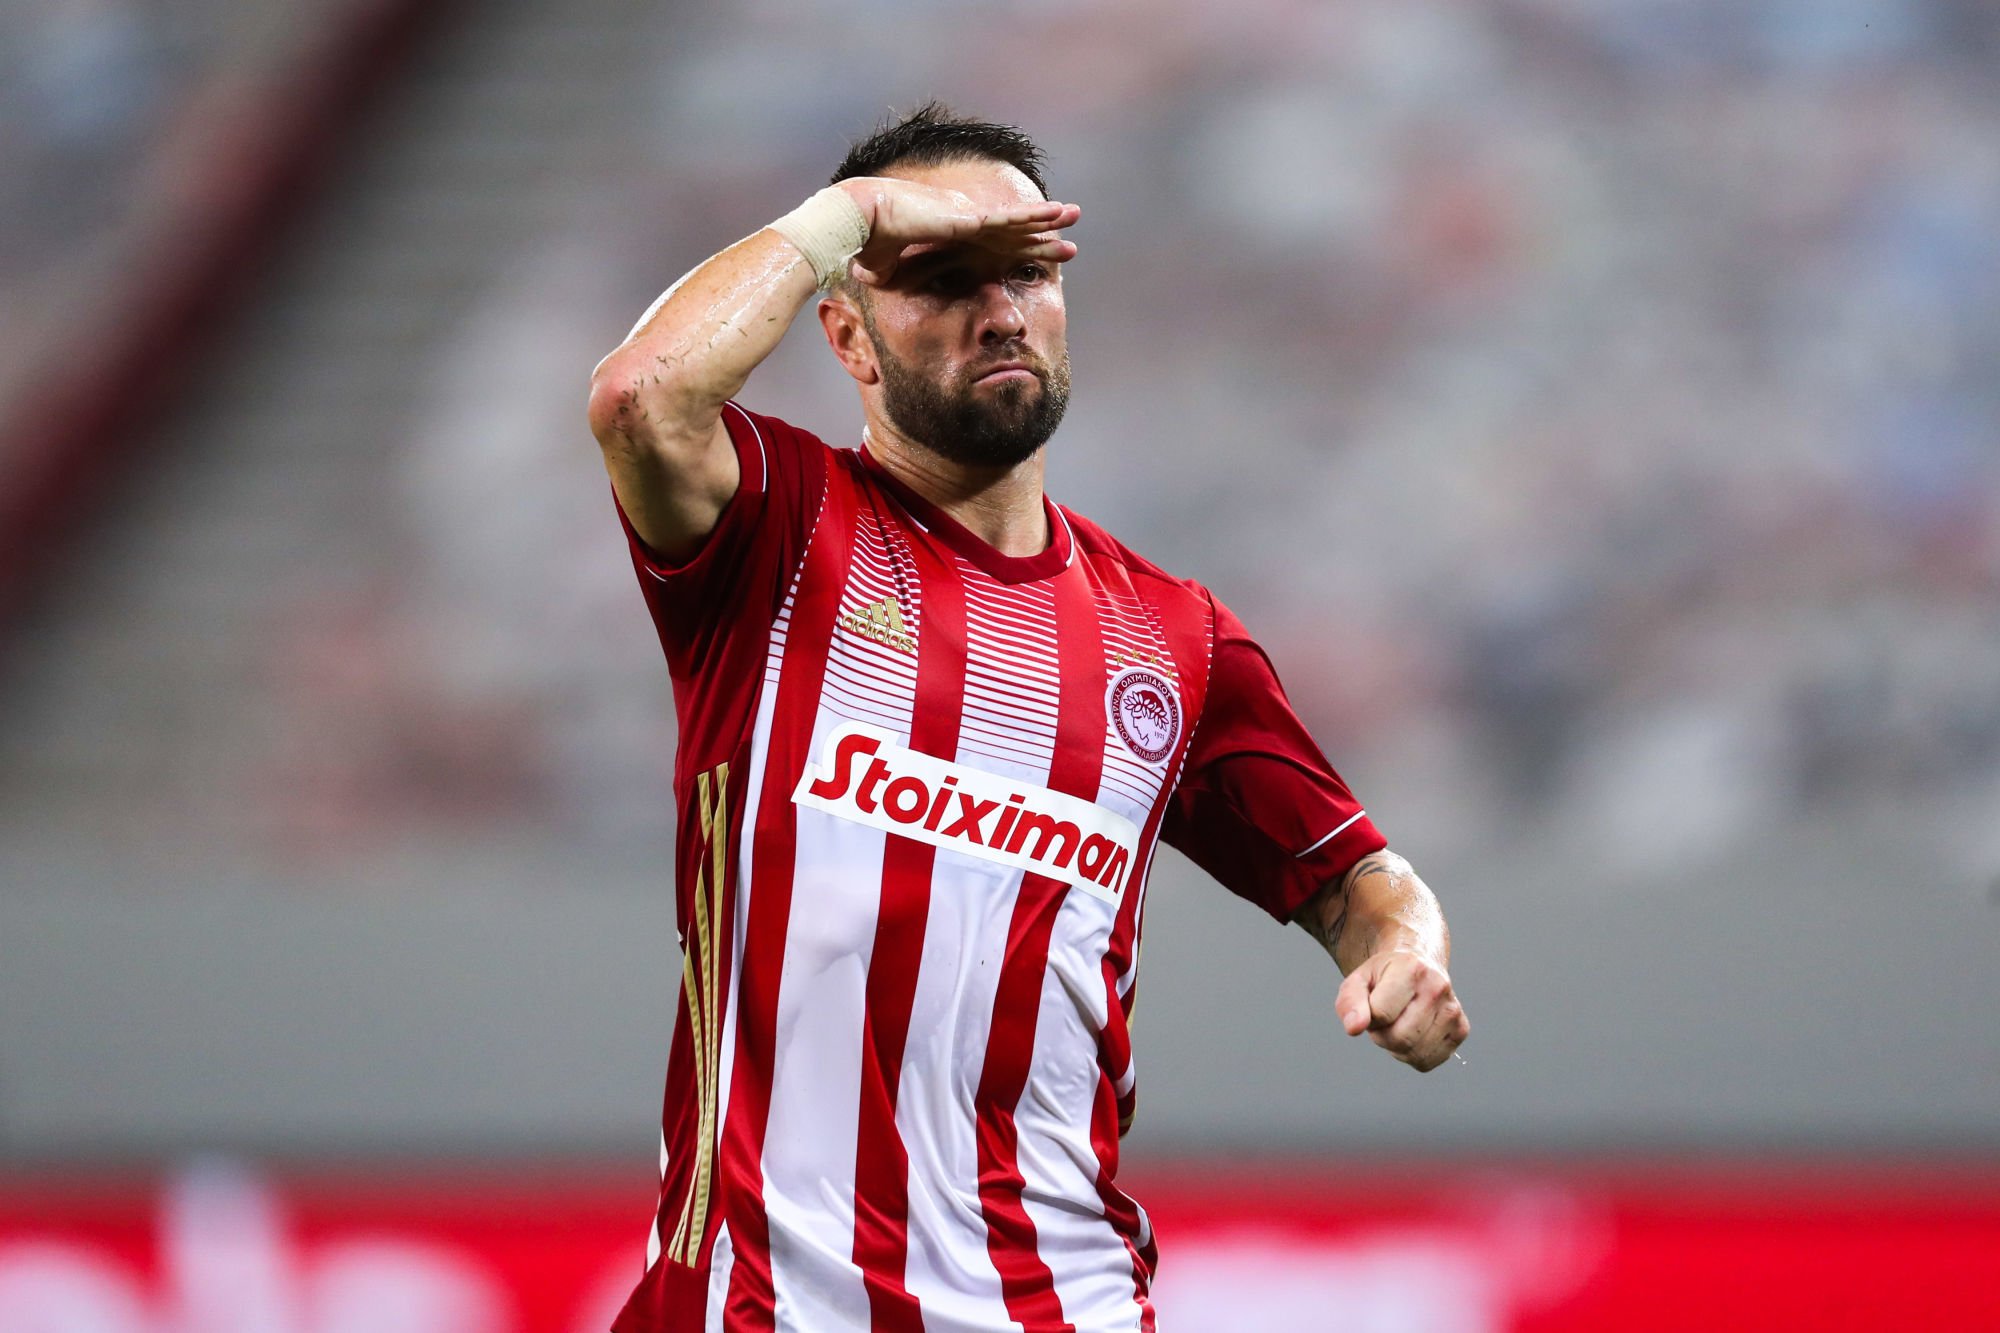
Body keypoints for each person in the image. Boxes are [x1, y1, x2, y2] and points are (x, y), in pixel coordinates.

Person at [586, 102, 1470, 1333]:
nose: (998, 311)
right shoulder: (776, 528)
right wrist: (850, 215)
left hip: (1062, 1305)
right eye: (941, 278)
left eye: (1026, 273)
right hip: (757, 1307)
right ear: (845, 333)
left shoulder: (1175, 639)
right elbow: (640, 397)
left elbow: (1355, 879)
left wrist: (1402, 951)